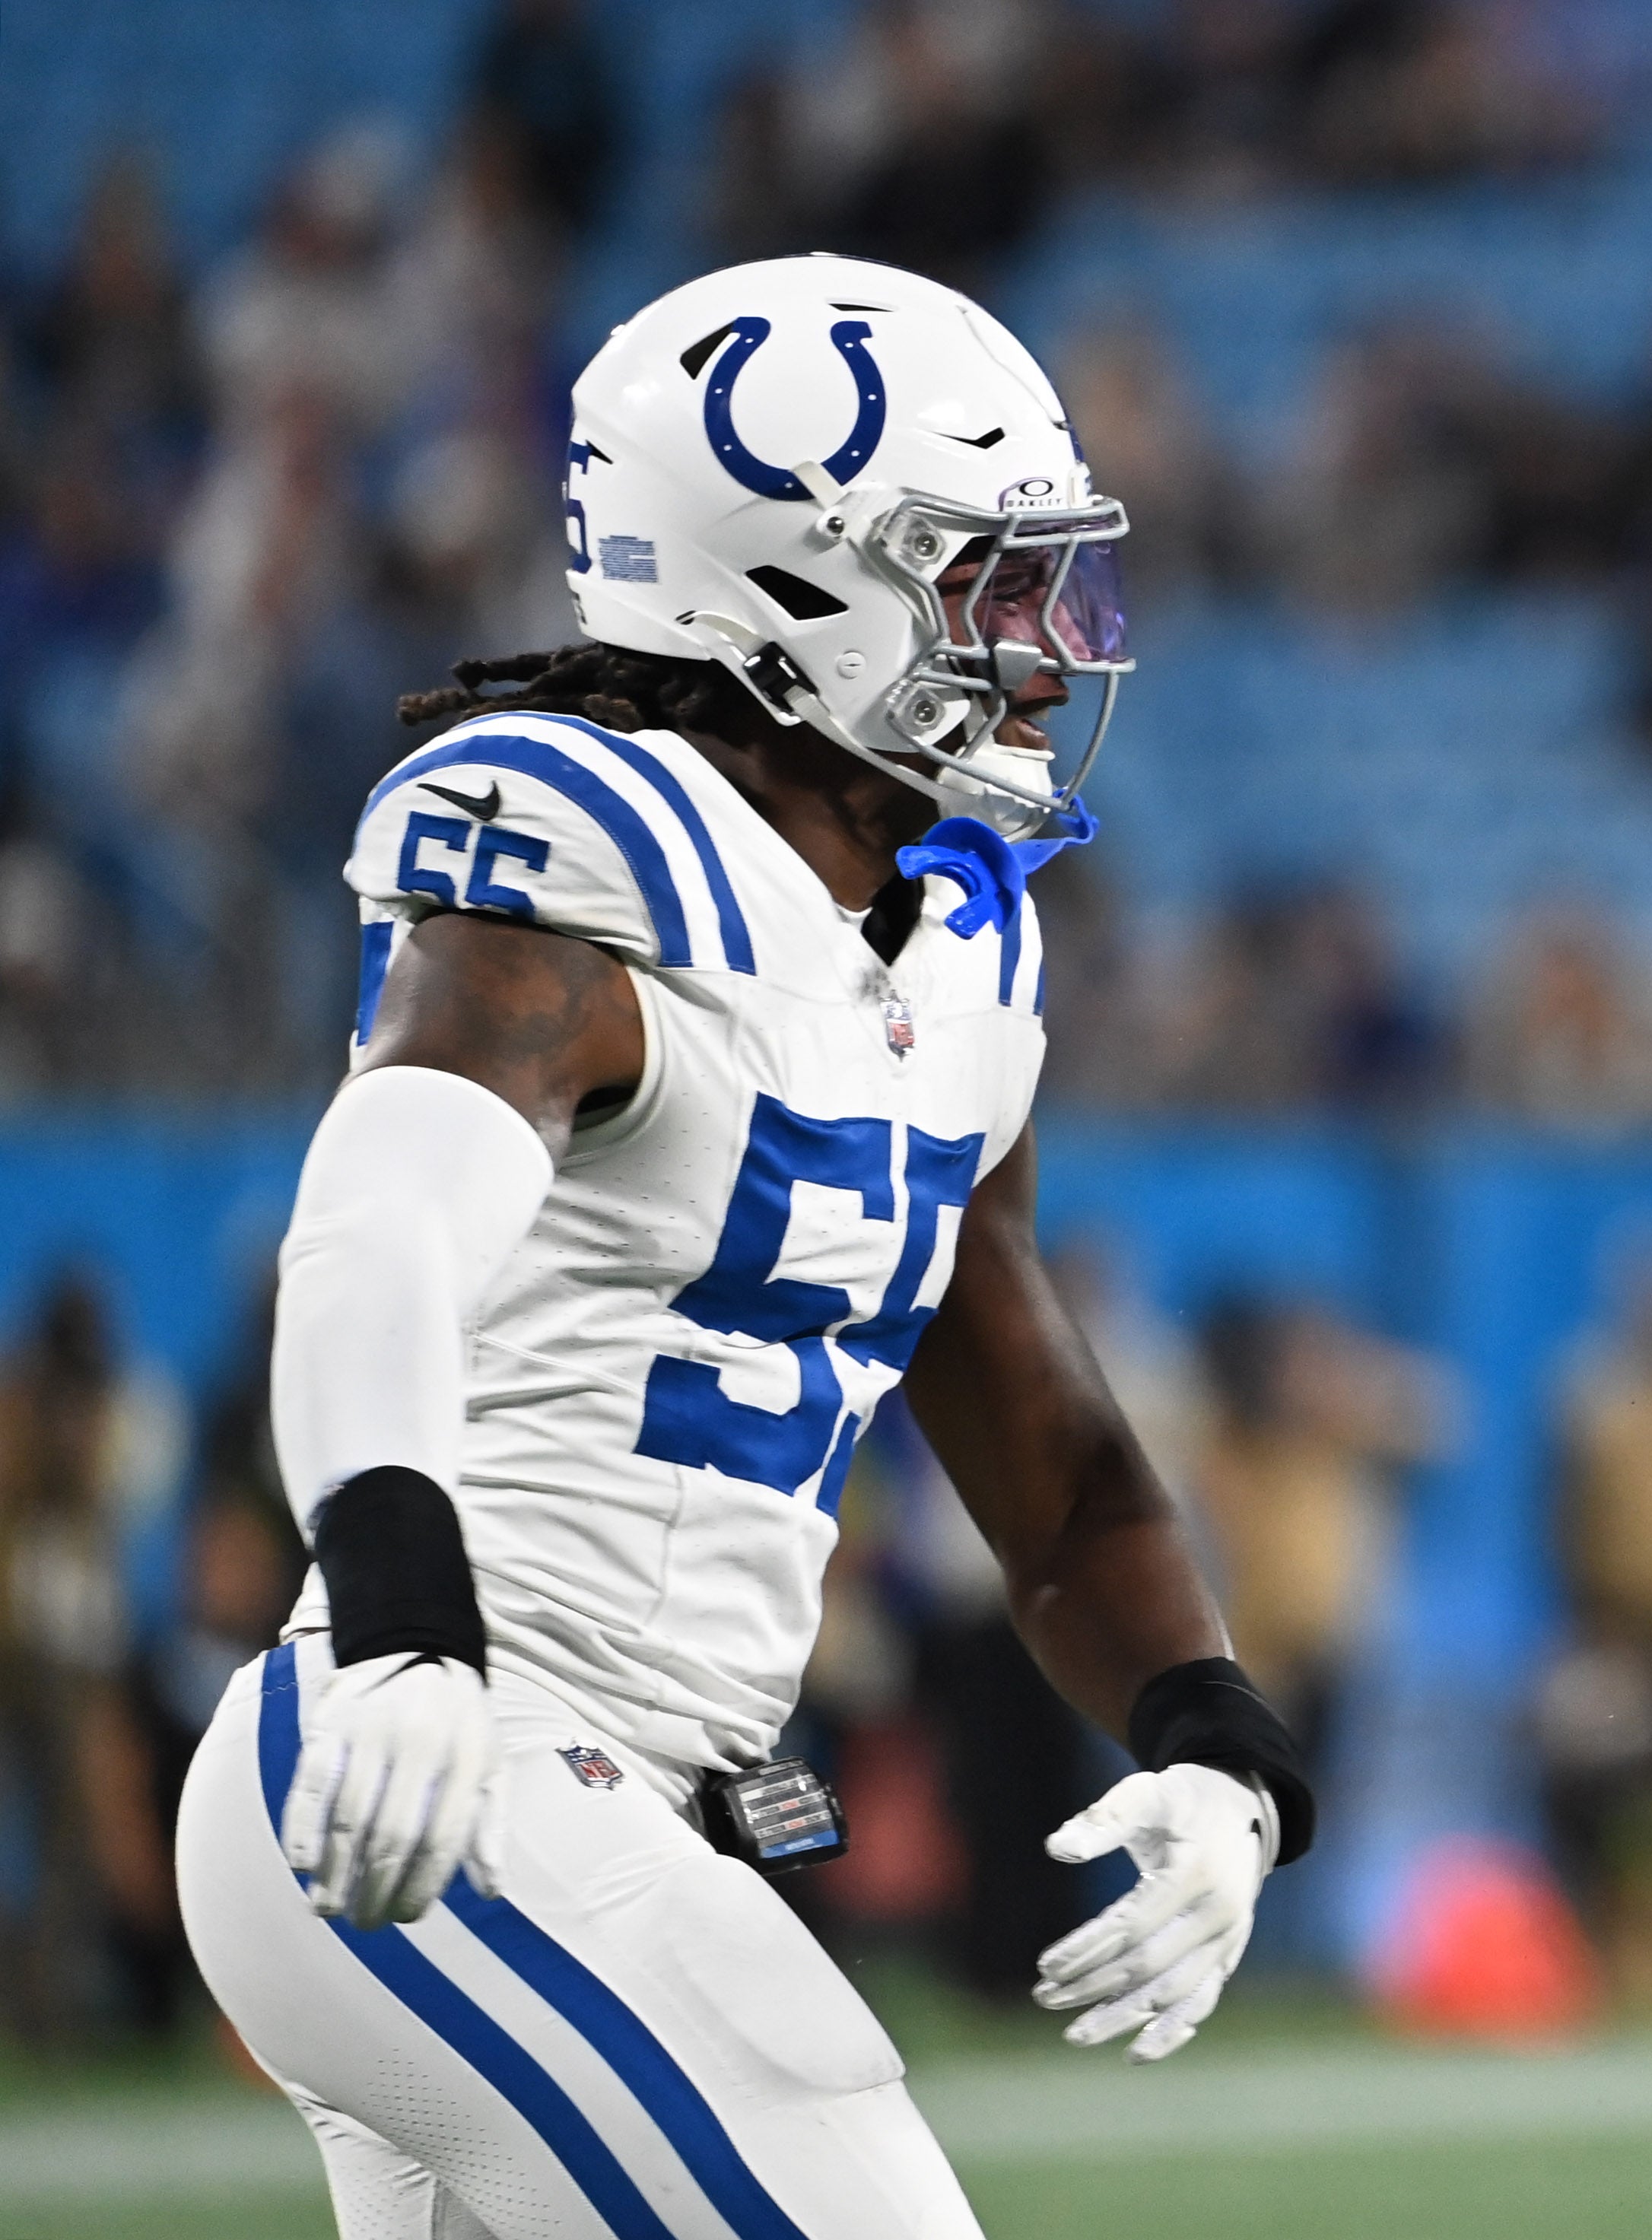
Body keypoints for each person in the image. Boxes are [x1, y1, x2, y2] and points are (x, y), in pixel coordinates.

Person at [170, 255, 1317, 2239]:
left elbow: (1042, 1448)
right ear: (790, 590)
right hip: (454, 1747)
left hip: (626, 1793)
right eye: (984, 581)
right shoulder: (595, 847)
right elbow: (376, 1223)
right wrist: (406, 1609)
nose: (1047, 645)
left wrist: (1215, 1742)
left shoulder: (958, 941)